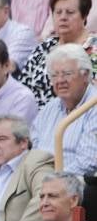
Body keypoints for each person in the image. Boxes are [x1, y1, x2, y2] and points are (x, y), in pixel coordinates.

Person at [18, 0, 95, 109]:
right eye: (58, 12)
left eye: (70, 12)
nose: (63, 17)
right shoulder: (43, 48)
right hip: (36, 120)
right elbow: (22, 90)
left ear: (84, 15)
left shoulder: (94, 48)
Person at [32, 44, 97, 175]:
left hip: (74, 185)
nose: (60, 80)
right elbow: (34, 152)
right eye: (54, 75)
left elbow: (88, 164)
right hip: (41, 180)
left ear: (85, 75)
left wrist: (52, 180)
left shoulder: (94, 106)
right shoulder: (49, 109)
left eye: (67, 74)